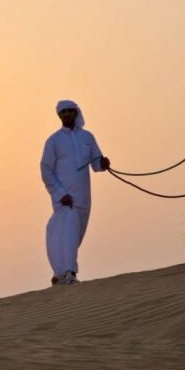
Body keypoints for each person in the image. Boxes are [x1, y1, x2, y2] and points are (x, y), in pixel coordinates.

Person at [40, 100, 110, 286]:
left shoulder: (87, 137)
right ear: (59, 115)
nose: (67, 115)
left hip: (83, 196)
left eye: (70, 111)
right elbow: (46, 169)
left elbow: (96, 164)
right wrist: (59, 193)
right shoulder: (53, 141)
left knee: (76, 234)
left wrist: (103, 164)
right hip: (64, 198)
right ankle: (69, 273)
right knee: (68, 232)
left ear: (76, 113)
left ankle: (60, 273)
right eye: (64, 112)